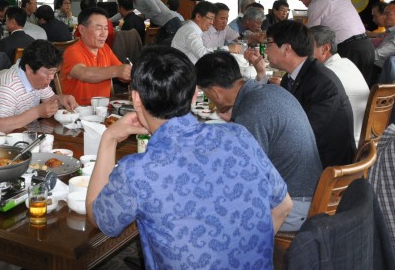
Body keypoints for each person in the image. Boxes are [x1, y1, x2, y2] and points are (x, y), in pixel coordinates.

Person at [87, 47, 292, 268]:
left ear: (136, 98)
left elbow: (99, 217)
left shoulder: (137, 172)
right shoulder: (239, 135)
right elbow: (283, 206)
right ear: (194, 94)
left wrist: (109, 138)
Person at [195, 52, 322, 232]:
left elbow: (243, 178)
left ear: (215, 91)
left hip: (295, 206)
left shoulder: (252, 112)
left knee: (208, 214)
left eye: (207, 94)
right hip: (308, 193)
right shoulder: (270, 91)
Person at [248, 20, 356, 168]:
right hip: (305, 152)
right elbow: (278, 110)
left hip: (325, 165)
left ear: (287, 49)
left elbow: (303, 133)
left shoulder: (322, 83)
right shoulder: (293, 75)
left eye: (269, 44)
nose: (265, 51)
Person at [290, 0, 375, 85]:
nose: (299, 0)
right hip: (366, 46)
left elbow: (310, 35)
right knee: (362, 87)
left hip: (350, 49)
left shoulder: (317, 4)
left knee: (344, 86)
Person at [0, 40, 77, 132]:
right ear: (29, 69)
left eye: (54, 72)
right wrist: (37, 112)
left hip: (27, 134)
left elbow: (49, 100)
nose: (52, 77)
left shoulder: (37, 80)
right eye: (48, 73)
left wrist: (61, 99)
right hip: (0, 141)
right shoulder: (8, 87)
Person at [311, 25, 370, 145]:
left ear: (325, 48)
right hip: (363, 139)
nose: (302, 51)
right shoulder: (347, 63)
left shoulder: (327, 73)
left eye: (307, 47)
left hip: (345, 143)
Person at [61, 7, 131, 105]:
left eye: (106, 28)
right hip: (77, 111)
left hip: (103, 111)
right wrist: (117, 71)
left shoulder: (105, 49)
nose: (104, 34)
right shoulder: (72, 52)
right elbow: (83, 74)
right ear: (82, 30)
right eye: (98, 28)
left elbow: (122, 75)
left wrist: (130, 73)